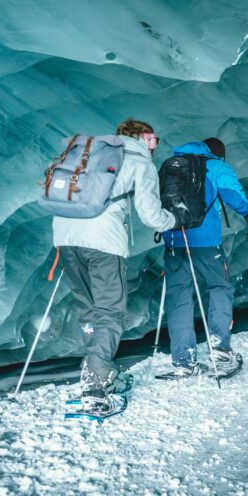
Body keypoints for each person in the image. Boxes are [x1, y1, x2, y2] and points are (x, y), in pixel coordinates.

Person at [53, 119, 177, 412]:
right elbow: (150, 214)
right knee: (110, 311)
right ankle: (96, 382)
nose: (155, 145)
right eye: (153, 139)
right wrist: (174, 220)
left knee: (89, 310)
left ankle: (95, 365)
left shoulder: (89, 154)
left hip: (65, 236)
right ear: (142, 138)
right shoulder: (138, 161)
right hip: (102, 241)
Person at [161, 137, 248, 379]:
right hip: (206, 242)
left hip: (174, 240)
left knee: (179, 298)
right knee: (219, 288)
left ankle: (184, 361)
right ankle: (219, 348)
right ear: (219, 154)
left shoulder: (171, 165)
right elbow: (232, 195)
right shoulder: (216, 166)